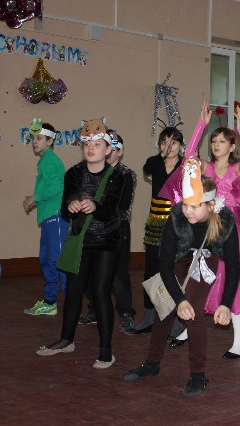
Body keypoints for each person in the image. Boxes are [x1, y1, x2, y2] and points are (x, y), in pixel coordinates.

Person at [122, 159, 240, 397]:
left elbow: (235, 267)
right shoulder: (176, 218)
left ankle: (198, 374)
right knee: (164, 308)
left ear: (210, 205)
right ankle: (152, 362)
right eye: (185, 204)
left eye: (195, 206)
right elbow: (164, 265)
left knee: (192, 312)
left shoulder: (224, 222)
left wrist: (226, 303)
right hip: (178, 259)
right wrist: (178, 300)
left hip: (205, 259)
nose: (188, 211)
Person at [164, 101, 240, 358]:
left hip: (229, 227)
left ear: (232, 146)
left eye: (222, 141)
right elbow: (188, 158)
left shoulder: (236, 168)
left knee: (232, 276)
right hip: (206, 227)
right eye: (214, 141)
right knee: (199, 273)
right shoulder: (205, 167)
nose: (216, 144)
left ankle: (239, 341)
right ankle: (189, 327)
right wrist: (201, 125)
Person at [36, 120, 125, 369]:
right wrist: (72, 204)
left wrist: (95, 206)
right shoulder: (74, 173)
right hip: (80, 240)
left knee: (100, 292)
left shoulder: (117, 177)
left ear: (108, 149)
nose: (91, 149)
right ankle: (66, 340)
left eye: (97, 144)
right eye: (87, 144)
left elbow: (111, 210)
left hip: (106, 242)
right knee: (74, 290)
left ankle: (106, 350)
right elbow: (66, 207)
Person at [126, 124, 184, 335]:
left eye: (173, 142)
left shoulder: (185, 166)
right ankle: (148, 318)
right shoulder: (155, 163)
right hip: (155, 224)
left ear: (181, 145)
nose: (169, 146)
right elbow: (147, 167)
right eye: (164, 142)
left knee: (174, 272)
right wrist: (162, 154)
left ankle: (176, 321)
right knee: (151, 270)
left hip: (177, 224)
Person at [78, 130, 137, 334]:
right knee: (89, 272)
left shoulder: (126, 174)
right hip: (93, 228)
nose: (109, 153)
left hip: (117, 229)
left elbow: (122, 204)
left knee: (118, 274)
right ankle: (95, 309)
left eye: (113, 149)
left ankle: (126, 313)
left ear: (119, 152)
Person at [23, 118, 69, 316]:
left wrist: (36, 197)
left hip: (56, 216)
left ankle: (71, 304)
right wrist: (35, 199)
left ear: (50, 141)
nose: (35, 141)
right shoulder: (44, 161)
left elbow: (57, 187)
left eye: (39, 138)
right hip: (48, 216)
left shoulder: (50, 160)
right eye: (33, 138)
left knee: (59, 260)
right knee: (47, 260)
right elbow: (49, 187)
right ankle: (50, 302)